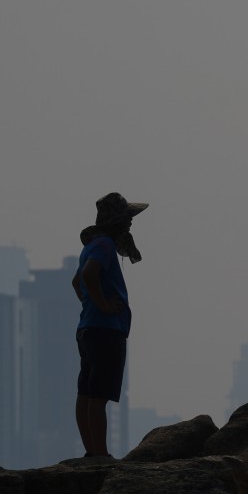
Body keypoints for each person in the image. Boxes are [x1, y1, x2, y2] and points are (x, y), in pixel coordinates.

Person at [71, 192, 148, 458]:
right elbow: (89, 275)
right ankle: (100, 454)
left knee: (86, 392)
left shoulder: (93, 244)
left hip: (88, 329)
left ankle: (92, 452)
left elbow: (77, 281)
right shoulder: (104, 245)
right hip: (105, 330)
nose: (129, 224)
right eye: (126, 218)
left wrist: (90, 305)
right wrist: (102, 306)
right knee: (98, 395)